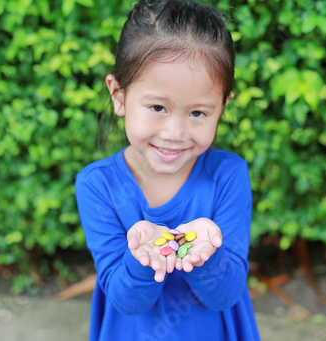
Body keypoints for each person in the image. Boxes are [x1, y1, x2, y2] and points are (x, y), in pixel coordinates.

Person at [75, 0, 261, 339]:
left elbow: (226, 295)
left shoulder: (227, 176)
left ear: (223, 105)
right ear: (119, 96)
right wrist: (141, 260)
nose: (174, 134)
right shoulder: (97, 185)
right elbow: (125, 300)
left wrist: (208, 257)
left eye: (198, 114)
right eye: (158, 107)